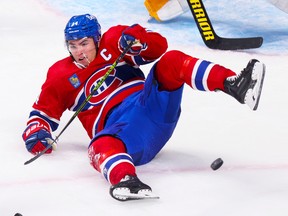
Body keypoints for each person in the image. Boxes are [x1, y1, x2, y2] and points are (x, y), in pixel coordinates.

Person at [22, 14, 265, 201]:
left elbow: (159, 46)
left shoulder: (115, 40)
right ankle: (126, 180)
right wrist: (37, 133)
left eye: (84, 43)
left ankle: (235, 85)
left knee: (171, 61)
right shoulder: (61, 75)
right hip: (124, 133)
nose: (79, 52)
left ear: (97, 38)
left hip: (150, 106)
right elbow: (41, 114)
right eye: (72, 45)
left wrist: (137, 39)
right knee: (99, 144)